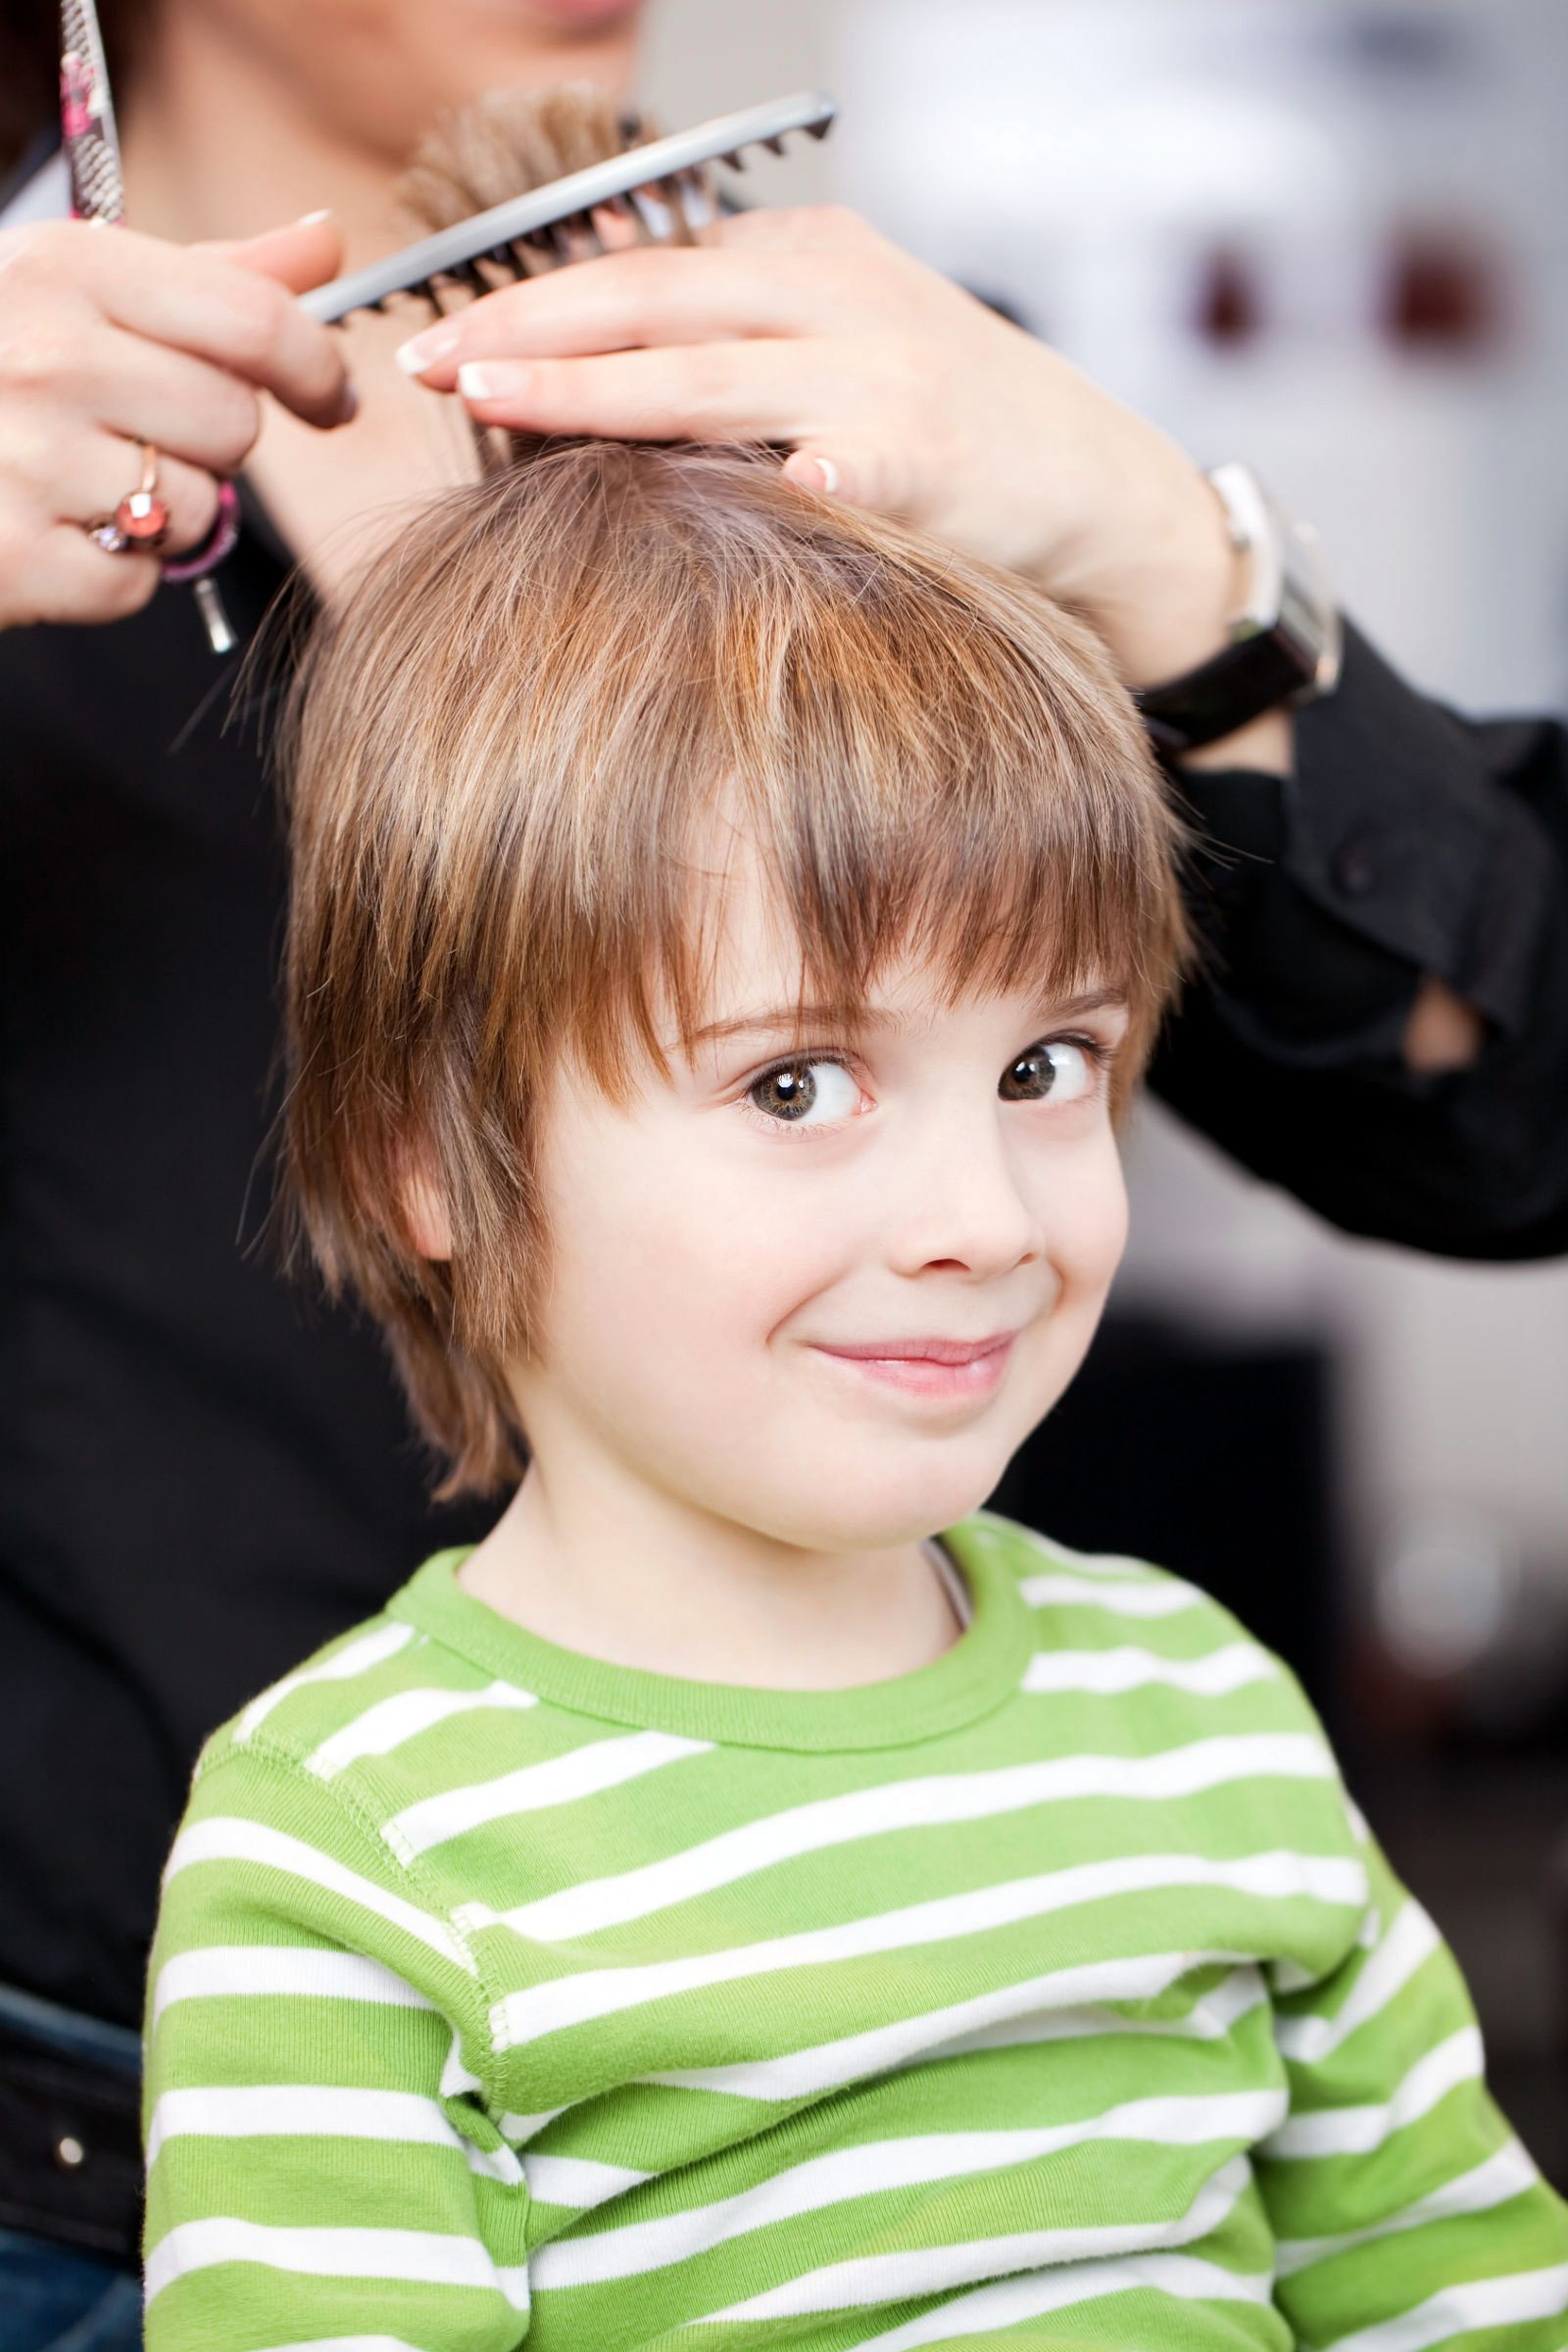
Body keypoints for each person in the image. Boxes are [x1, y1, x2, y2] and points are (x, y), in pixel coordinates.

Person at [0, 0, 1565, 2331]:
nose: (962, 1209)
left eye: (1037, 1072)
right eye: (798, 1080)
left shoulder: (916, 414)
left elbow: (1506, 1116)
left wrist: (1171, 559)